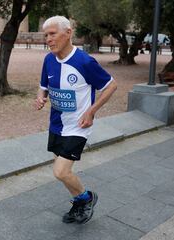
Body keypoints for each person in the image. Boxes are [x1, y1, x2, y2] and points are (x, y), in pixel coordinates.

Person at [35, 16, 117, 224]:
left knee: (60, 172)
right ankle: (79, 202)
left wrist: (92, 111)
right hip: (56, 125)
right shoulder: (49, 59)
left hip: (78, 126)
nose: (48, 39)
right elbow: (43, 86)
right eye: (46, 35)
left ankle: (87, 197)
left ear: (68, 33)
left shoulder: (84, 61)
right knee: (64, 173)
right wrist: (40, 97)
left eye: (52, 34)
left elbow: (111, 86)